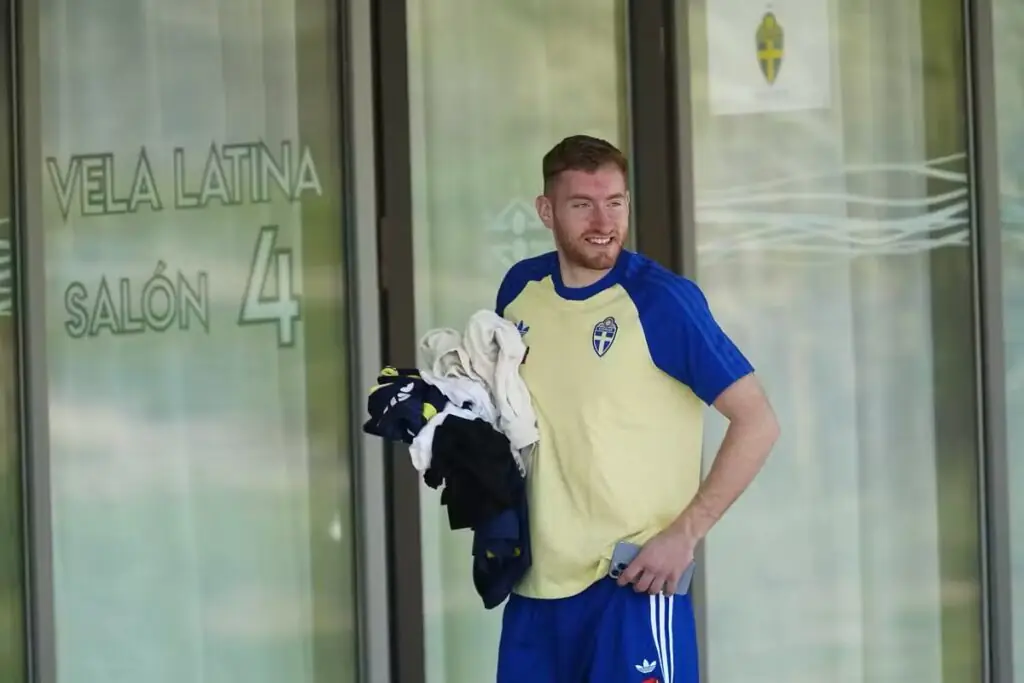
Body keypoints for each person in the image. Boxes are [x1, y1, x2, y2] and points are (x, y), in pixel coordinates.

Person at [493, 134, 780, 683]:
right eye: (582, 205)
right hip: (534, 590)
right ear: (546, 211)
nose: (603, 221)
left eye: (616, 203)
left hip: (630, 587)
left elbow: (758, 421)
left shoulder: (661, 301)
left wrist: (685, 534)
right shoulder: (519, 290)